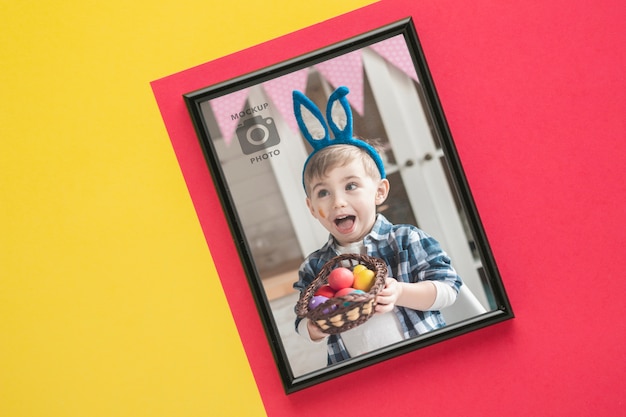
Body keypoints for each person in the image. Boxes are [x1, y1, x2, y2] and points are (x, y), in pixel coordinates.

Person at [292, 86, 463, 365]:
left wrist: (401, 292)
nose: (338, 202)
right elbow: (301, 317)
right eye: (323, 192)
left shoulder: (405, 240)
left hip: (425, 362)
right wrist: (313, 328)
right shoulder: (315, 267)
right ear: (312, 207)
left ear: (380, 191)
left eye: (351, 186)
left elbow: (449, 289)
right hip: (363, 377)